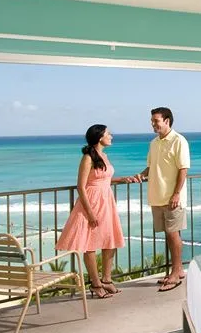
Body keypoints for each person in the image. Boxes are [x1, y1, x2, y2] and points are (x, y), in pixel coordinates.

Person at [56, 124, 135, 299]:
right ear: (100, 137)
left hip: (106, 201)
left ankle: (106, 279)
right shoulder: (87, 158)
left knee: (110, 240)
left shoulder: (104, 156)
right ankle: (95, 283)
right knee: (89, 243)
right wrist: (90, 212)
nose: (111, 136)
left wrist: (121, 179)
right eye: (108, 134)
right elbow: (81, 186)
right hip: (91, 202)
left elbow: (102, 178)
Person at [133, 107, 190, 293]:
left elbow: (183, 169)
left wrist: (176, 194)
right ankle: (178, 270)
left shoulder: (179, 141)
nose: (153, 124)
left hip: (173, 198)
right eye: (152, 121)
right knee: (170, 234)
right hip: (157, 197)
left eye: (156, 121)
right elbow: (151, 166)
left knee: (173, 234)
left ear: (167, 121)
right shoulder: (154, 143)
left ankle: (175, 273)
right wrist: (142, 174)